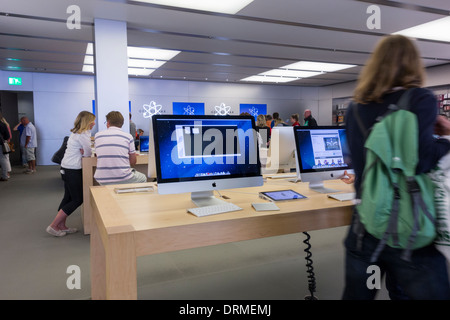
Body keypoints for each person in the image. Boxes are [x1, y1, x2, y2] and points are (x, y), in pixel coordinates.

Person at [342, 34, 450, 300]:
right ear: (414, 64)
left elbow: (358, 159)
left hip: (364, 223)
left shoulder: (354, 108)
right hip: (410, 225)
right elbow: (422, 160)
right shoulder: (420, 99)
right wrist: (445, 138)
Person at [46, 111, 96, 237]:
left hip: (66, 167)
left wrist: (84, 151)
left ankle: (61, 225)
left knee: (68, 197)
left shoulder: (76, 132)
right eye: (92, 121)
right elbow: (87, 153)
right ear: (87, 122)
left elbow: (85, 151)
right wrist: (85, 151)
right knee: (78, 199)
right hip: (73, 169)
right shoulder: (83, 134)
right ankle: (53, 225)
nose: (94, 123)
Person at [94, 111, 147, 185]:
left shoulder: (97, 136)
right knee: (143, 178)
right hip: (123, 177)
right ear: (122, 123)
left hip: (102, 179)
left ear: (108, 123)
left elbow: (98, 155)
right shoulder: (128, 137)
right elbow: (133, 162)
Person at [0, 113, 12, 178]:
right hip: (4, 143)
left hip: (2, 144)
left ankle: (5, 175)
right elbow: (8, 136)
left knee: (4, 159)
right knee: (5, 159)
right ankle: (5, 174)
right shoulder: (4, 125)